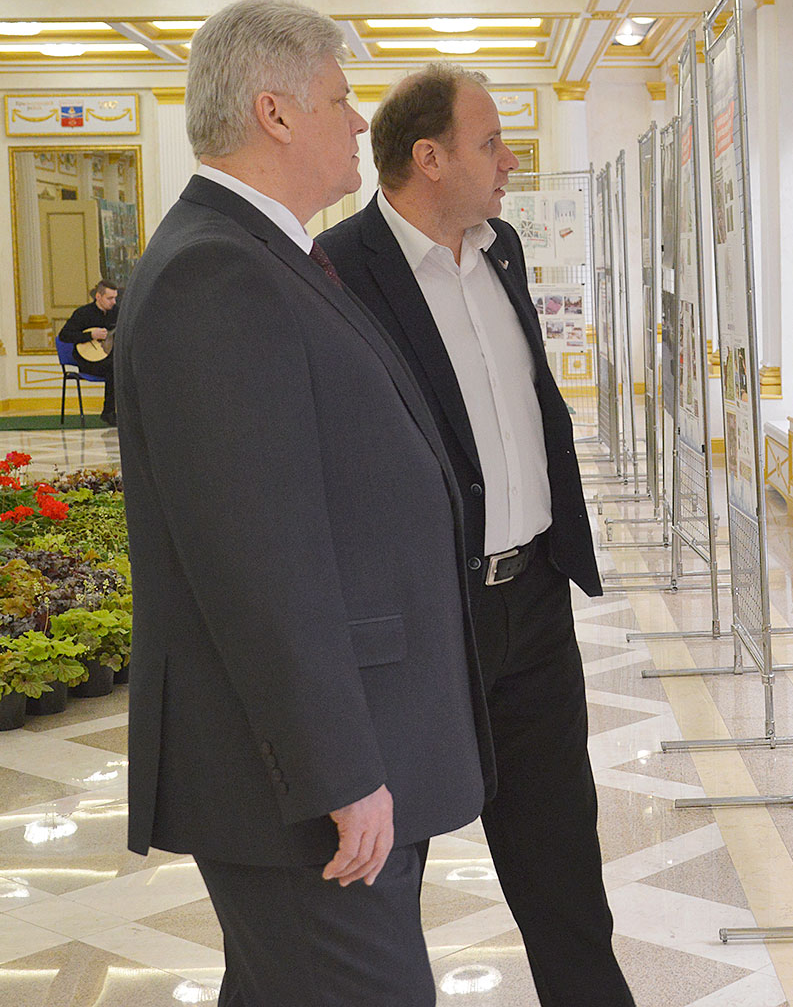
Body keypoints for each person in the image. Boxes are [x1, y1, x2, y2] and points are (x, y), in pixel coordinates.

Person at [116, 0, 492, 1007]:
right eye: (340, 98)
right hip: (295, 783)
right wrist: (338, 771)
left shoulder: (259, 254)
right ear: (275, 113)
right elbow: (258, 560)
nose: (359, 120)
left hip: (327, 755)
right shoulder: (216, 273)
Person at [317, 64, 633, 1007]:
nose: (509, 162)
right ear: (429, 158)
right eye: (490, 143)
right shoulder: (338, 270)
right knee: (383, 870)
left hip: (532, 603)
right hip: (425, 618)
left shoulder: (503, 251)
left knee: (562, 859)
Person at [57, 280, 118, 425]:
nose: (114, 302)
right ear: (98, 296)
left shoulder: (116, 313)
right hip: (86, 361)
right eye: (110, 298)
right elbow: (64, 335)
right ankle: (108, 412)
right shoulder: (83, 313)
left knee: (123, 367)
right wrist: (90, 335)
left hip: (107, 357)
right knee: (114, 368)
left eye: (115, 298)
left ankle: (127, 413)